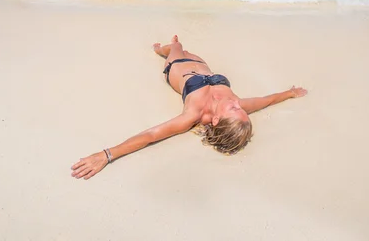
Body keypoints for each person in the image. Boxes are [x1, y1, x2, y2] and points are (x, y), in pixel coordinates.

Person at [71, 35, 307, 180]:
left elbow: (151, 135)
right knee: (187, 49)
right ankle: (165, 47)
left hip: (176, 64)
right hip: (201, 63)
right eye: (240, 107)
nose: (238, 103)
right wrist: (289, 93)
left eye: (235, 109)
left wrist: (107, 155)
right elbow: (266, 100)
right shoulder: (237, 104)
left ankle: (162, 49)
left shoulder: (194, 114)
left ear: (215, 120)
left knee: (178, 45)